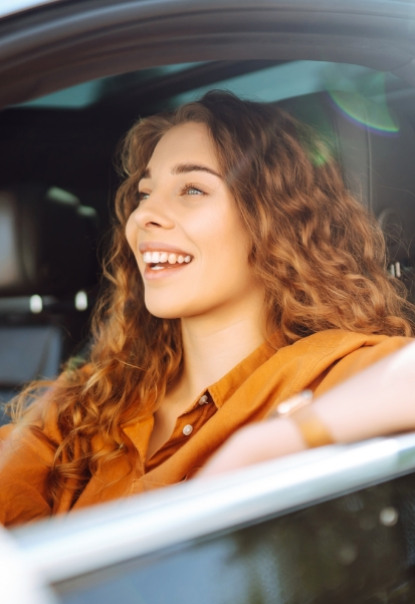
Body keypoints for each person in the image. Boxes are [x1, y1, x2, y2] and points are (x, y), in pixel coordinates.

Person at [0, 90, 414, 527]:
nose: (143, 217)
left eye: (192, 189)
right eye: (144, 194)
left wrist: (270, 443)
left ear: (272, 221)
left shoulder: (324, 371)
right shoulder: (86, 402)